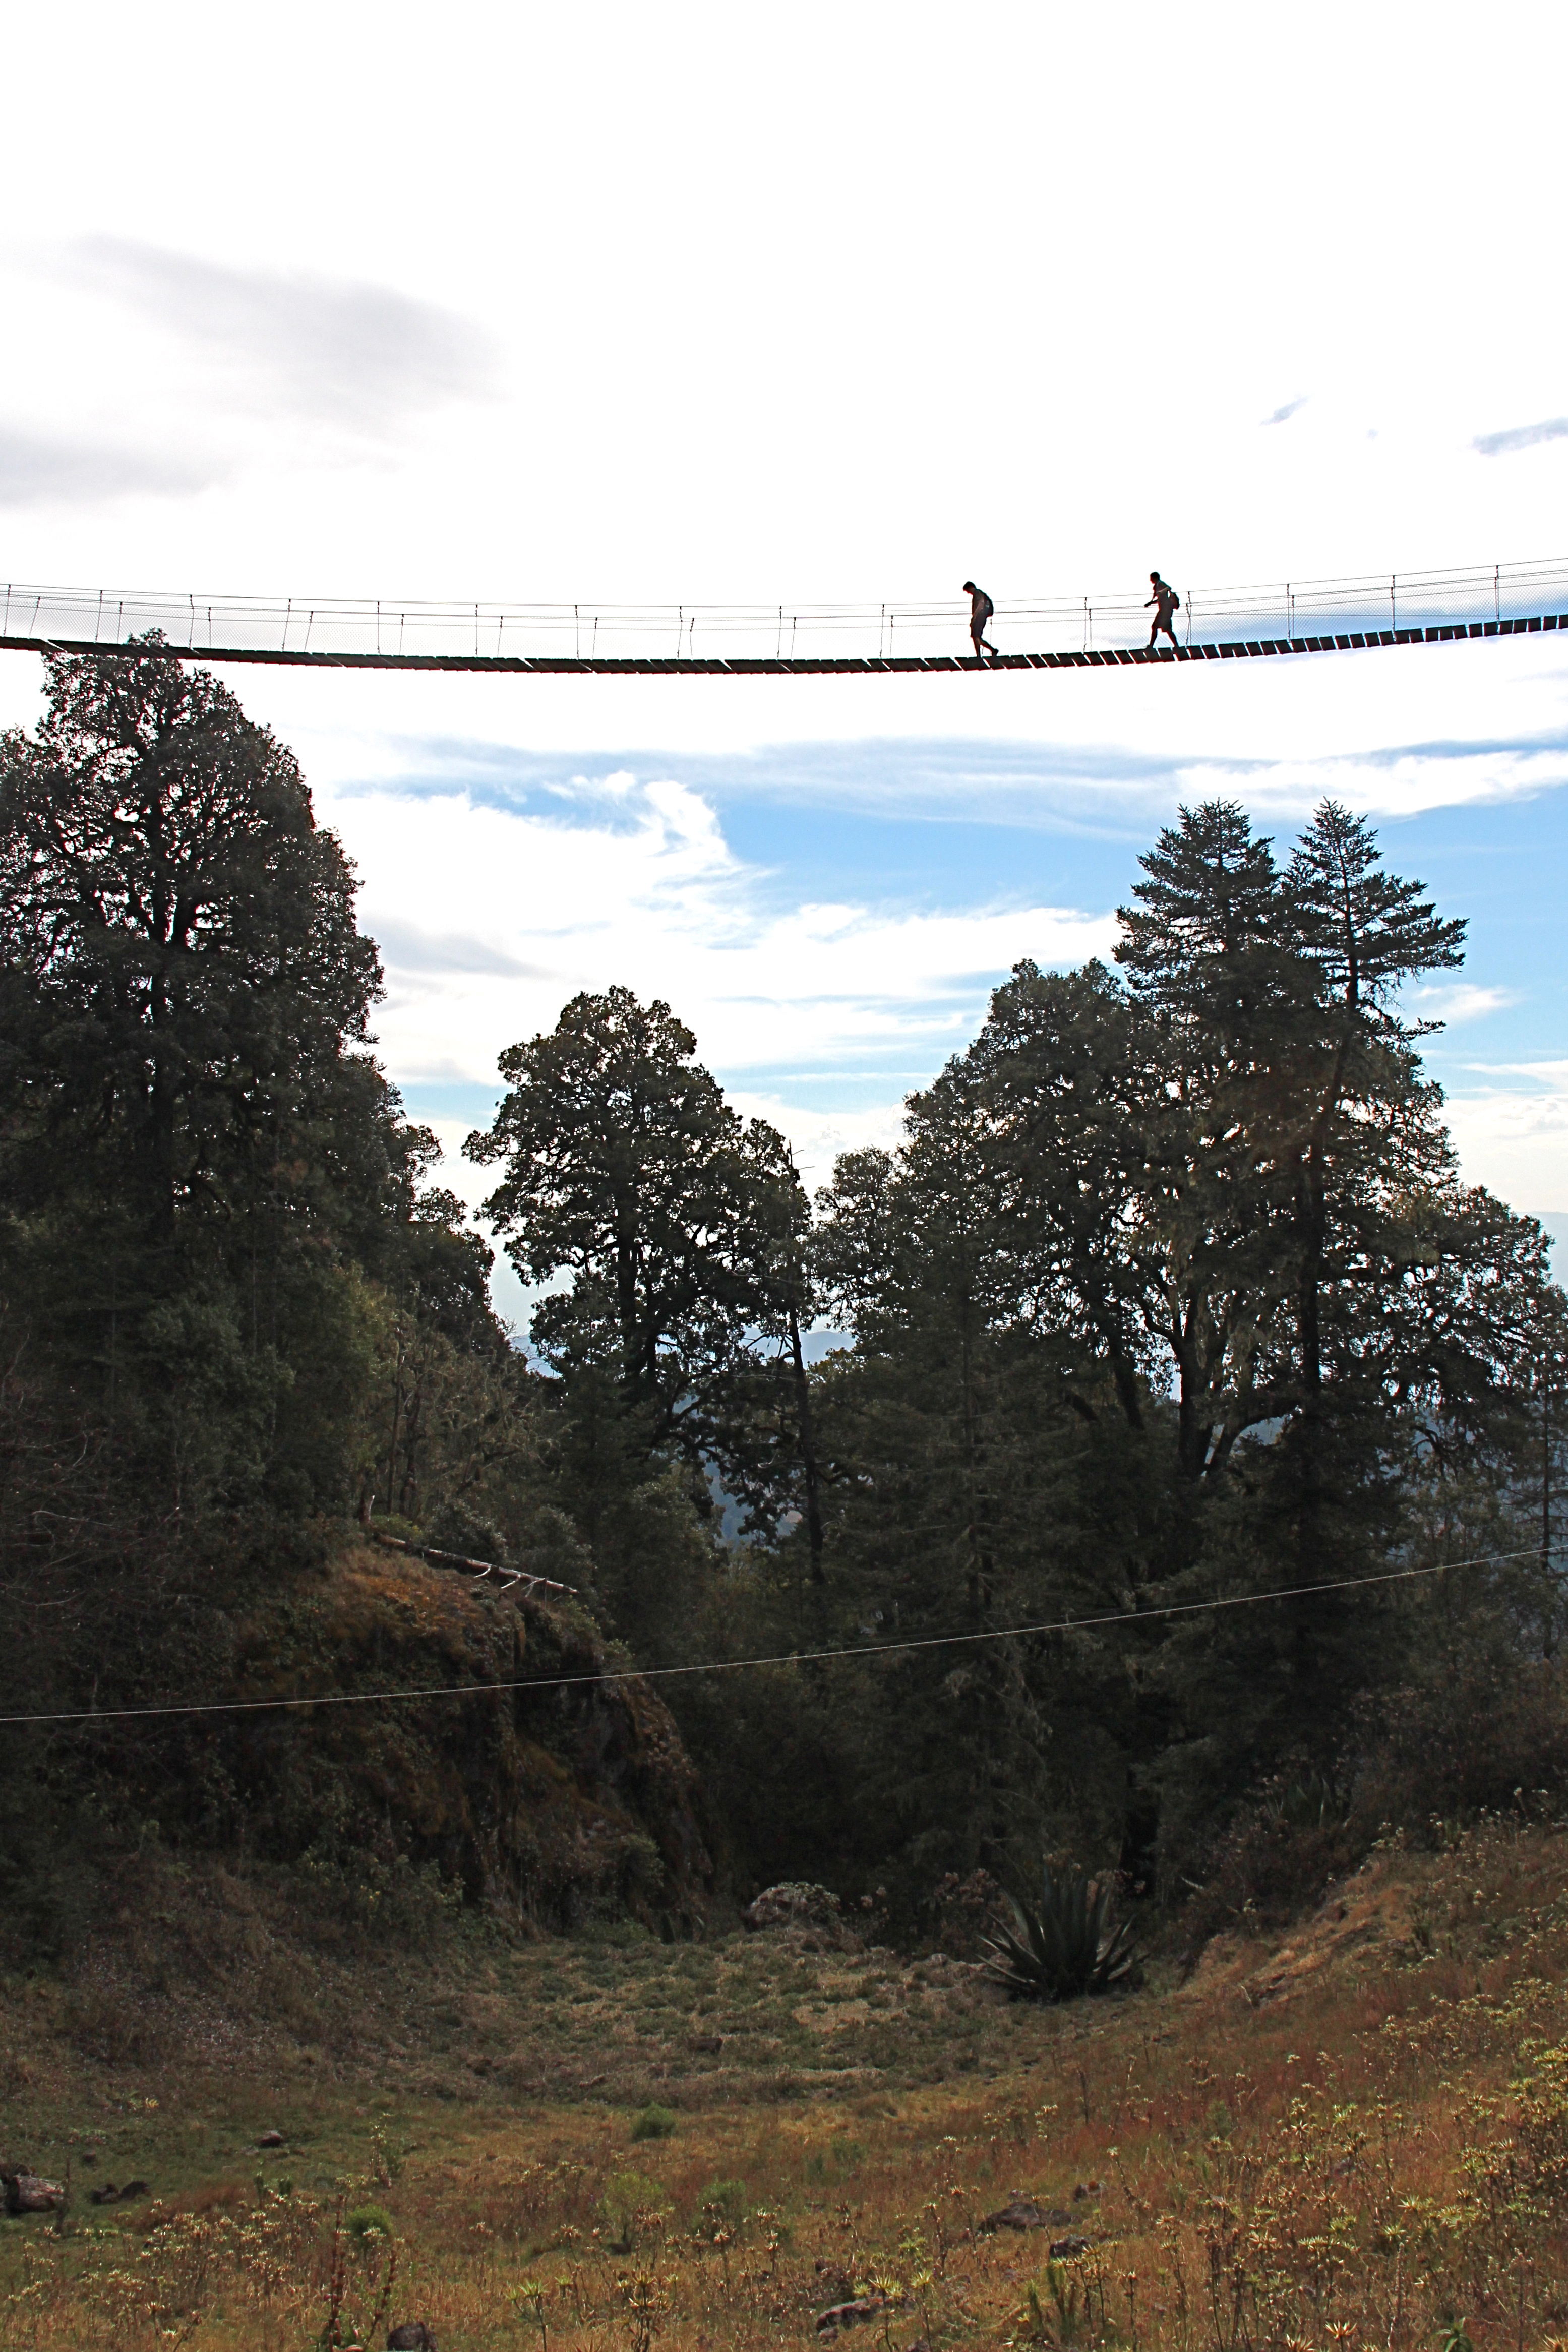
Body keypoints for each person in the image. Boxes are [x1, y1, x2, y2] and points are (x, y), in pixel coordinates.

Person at [962, 580, 999, 660]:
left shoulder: (977, 593)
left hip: (979, 618)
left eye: (968, 590)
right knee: (977, 637)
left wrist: (975, 616)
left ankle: (979, 656)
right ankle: (992, 650)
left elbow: (981, 603)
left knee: (976, 636)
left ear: (971, 587)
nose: (968, 593)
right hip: (981, 617)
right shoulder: (979, 593)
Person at [1147, 571, 1181, 652]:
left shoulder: (1160, 584)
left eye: (1151, 578)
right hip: (1165, 610)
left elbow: (1169, 588)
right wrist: (1150, 603)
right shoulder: (1157, 586)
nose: (1150, 580)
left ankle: (1151, 646)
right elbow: (1161, 599)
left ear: (1155, 578)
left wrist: (1160, 592)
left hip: (1165, 611)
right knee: (1167, 630)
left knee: (1155, 627)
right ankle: (1176, 646)